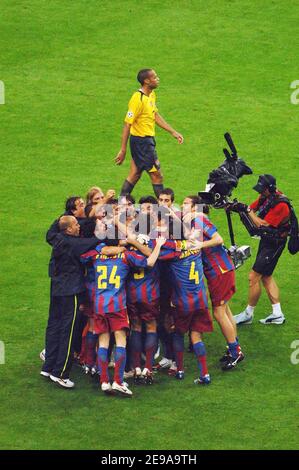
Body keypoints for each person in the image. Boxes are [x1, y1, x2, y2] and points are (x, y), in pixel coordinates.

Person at [81, 236, 166, 397]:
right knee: (120, 341)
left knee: (103, 342)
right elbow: (150, 262)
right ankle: (118, 381)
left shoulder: (95, 255)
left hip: (99, 304)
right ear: (119, 243)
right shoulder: (126, 256)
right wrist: (158, 246)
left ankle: (104, 381)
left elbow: (81, 257)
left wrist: (101, 249)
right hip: (117, 305)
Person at [183, 195, 244, 371]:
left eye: (186, 203)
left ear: (195, 207)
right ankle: (233, 346)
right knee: (225, 310)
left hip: (220, 271)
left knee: (218, 312)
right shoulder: (195, 220)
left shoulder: (200, 219)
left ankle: (235, 351)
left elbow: (218, 239)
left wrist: (200, 245)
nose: (183, 205)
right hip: (220, 270)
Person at [41, 216, 101, 389]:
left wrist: (62, 217)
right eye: (75, 224)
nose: (78, 227)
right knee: (69, 331)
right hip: (71, 291)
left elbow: (50, 231)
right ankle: (61, 373)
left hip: (57, 289)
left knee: (54, 327)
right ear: (68, 229)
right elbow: (96, 241)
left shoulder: (56, 238)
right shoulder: (74, 244)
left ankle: (48, 366)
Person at [115, 69, 184, 197]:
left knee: (135, 174)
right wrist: (123, 150)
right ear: (146, 81)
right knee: (157, 175)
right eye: (154, 77)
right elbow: (127, 124)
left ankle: (120, 204)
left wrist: (173, 132)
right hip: (142, 143)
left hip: (146, 141)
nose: (157, 79)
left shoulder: (151, 95)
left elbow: (154, 115)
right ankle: (163, 210)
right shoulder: (137, 99)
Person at [233, 175, 291, 325]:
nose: (261, 193)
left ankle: (248, 314)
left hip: (275, 243)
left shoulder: (281, 205)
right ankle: (277, 314)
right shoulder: (267, 196)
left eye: (263, 190)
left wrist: (246, 210)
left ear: (270, 189)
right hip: (268, 241)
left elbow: (261, 224)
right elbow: (251, 208)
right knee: (266, 276)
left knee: (253, 277)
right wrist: (237, 207)